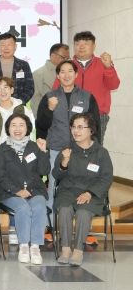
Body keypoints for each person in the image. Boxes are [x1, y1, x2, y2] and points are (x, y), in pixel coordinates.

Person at [36, 60, 100, 224]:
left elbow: (95, 126)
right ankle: (50, 225)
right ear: (58, 76)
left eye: (70, 71)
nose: (66, 75)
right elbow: (41, 125)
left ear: (76, 74)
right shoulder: (49, 97)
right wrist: (50, 109)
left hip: (82, 151)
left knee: (83, 184)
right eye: (62, 72)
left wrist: (95, 149)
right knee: (52, 186)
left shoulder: (87, 96)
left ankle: (81, 224)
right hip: (56, 149)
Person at [54, 113, 113, 266]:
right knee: (65, 209)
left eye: (80, 127)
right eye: (73, 127)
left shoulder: (101, 153)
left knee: (83, 212)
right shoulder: (67, 150)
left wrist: (90, 193)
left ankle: (78, 251)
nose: (76, 131)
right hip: (68, 190)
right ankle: (65, 249)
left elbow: (106, 178)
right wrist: (64, 162)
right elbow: (56, 176)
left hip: (92, 193)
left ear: (91, 130)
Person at [0, 114, 50, 265]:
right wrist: (17, 191)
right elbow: (0, 176)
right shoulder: (1, 150)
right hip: (9, 192)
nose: (17, 129)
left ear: (27, 128)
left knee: (39, 206)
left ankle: (35, 247)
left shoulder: (34, 147)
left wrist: (43, 151)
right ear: (8, 128)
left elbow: (44, 171)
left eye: (21, 125)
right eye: (13, 125)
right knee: (23, 207)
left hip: (34, 190)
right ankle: (24, 246)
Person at [70, 31, 120, 143]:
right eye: (77, 43)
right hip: (72, 114)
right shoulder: (67, 66)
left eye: (86, 43)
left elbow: (114, 85)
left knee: (95, 148)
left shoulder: (103, 63)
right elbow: (57, 90)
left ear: (94, 46)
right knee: (72, 147)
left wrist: (108, 68)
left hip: (97, 115)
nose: (81, 46)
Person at [0, 76, 35, 149]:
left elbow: (29, 131)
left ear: (12, 90)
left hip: (18, 149)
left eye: (6, 87)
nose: (3, 91)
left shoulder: (23, 109)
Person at [0, 32, 34, 104]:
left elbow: (30, 88)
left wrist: (18, 102)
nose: (6, 48)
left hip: (17, 106)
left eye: (9, 45)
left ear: (15, 46)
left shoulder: (23, 65)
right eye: (3, 45)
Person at [31, 43, 69, 115]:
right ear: (52, 55)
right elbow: (35, 100)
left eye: (68, 58)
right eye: (63, 57)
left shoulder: (69, 74)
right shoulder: (38, 74)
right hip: (47, 116)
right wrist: (41, 118)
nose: (66, 61)